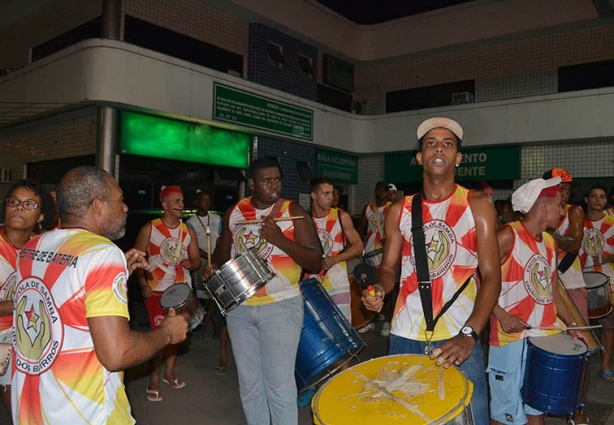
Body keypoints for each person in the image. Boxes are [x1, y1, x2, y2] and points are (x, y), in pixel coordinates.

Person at [11, 166, 188, 424]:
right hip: (85, 412)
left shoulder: (33, 246)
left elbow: (63, 302)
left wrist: (116, 275)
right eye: (119, 200)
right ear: (97, 206)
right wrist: (167, 333)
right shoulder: (102, 253)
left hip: (32, 407)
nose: (126, 208)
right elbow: (117, 354)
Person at [362, 117, 500, 425]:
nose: (439, 148)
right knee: (407, 417)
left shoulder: (477, 205)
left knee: (471, 417)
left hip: (458, 336)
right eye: (431, 144)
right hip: (404, 334)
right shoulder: (401, 209)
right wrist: (380, 290)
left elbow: (492, 277)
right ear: (420, 158)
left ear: (458, 158)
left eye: (448, 144)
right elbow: (388, 267)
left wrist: (470, 334)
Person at [210, 156, 322, 425]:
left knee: (279, 385)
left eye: (278, 179)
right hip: (241, 308)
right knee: (249, 384)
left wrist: (280, 240)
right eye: (266, 180)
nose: (274, 185)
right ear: (251, 183)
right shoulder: (235, 213)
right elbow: (222, 256)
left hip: (281, 308)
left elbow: (315, 261)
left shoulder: (292, 211)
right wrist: (214, 268)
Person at [488, 177, 586, 425]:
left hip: (544, 337)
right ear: (543, 207)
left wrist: (572, 324)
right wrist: (502, 315)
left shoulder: (551, 242)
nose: (562, 212)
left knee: (535, 409)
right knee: (505, 412)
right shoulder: (507, 235)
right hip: (510, 339)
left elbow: (553, 292)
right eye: (558, 206)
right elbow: (478, 280)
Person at [134, 185, 200, 401]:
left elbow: (197, 260)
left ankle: (169, 373)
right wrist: (143, 282)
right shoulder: (150, 229)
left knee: (177, 336)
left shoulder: (187, 231)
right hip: (157, 291)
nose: (182, 205)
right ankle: (154, 378)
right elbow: (137, 259)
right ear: (165, 205)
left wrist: (192, 263)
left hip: (182, 291)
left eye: (182, 201)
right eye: (177, 202)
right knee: (160, 337)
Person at [0, 180, 54, 423]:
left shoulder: (43, 248)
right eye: (14, 201)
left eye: (30, 204)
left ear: (41, 215)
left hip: (29, 335)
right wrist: (25, 300)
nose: (19, 207)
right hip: (6, 337)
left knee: (24, 408)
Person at [307, 176, 364, 321]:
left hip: (337, 283)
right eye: (325, 194)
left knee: (341, 329)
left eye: (332, 193)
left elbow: (359, 246)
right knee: (315, 329)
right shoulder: (304, 219)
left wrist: (336, 259)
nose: (330, 198)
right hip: (311, 283)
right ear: (314, 196)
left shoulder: (341, 216)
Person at [579, 183, 614, 383]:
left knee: (608, 324)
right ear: (586, 200)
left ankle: (605, 363)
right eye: (594, 196)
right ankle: (581, 360)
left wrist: (609, 259)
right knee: (582, 323)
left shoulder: (612, 222)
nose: (598, 200)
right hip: (581, 279)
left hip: (608, 282)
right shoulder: (577, 221)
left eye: (602, 196)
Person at [357, 181, 393, 336]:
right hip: (371, 253)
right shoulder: (368, 208)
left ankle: (388, 320)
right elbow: (361, 228)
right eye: (379, 190)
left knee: (387, 287)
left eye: (385, 191)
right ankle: (371, 319)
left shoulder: (392, 207)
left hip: (386, 253)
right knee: (370, 286)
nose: (382, 194)